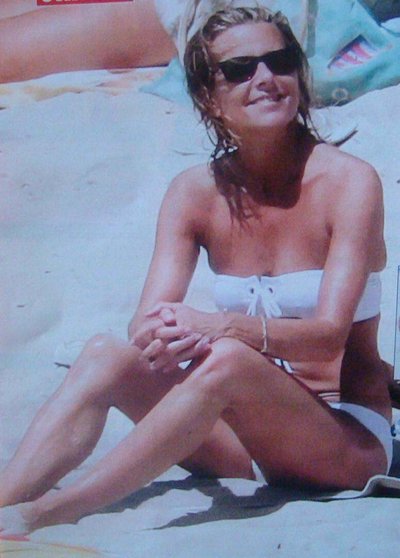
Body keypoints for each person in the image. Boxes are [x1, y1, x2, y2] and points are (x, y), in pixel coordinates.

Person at [0, 6, 393, 536]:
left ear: (299, 76)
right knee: (103, 355)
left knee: (228, 358)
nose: (265, 78)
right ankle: (6, 499)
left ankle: (53, 511)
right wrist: (164, 333)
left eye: (279, 62)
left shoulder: (349, 183)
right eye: (239, 69)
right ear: (208, 96)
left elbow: (327, 339)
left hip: (343, 439)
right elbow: (146, 322)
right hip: (240, 433)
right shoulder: (194, 193)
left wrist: (220, 327)